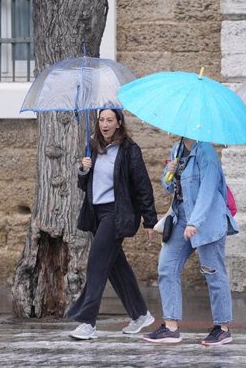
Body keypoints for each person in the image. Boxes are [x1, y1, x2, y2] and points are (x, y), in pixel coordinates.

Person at [67, 109, 158, 340]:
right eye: (101, 120)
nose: (105, 124)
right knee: (117, 267)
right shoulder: (93, 147)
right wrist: (83, 170)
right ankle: (140, 314)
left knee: (97, 262)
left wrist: (150, 221)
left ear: (119, 123)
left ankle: (88, 321)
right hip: (96, 213)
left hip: (116, 214)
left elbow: (143, 187)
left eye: (109, 120)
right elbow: (84, 185)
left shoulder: (129, 150)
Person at [143, 138, 238, 346]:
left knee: (212, 272)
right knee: (167, 267)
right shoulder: (177, 149)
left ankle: (222, 328)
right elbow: (169, 187)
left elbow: (208, 191)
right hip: (181, 218)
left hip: (207, 220)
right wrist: (169, 171)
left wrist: (195, 222)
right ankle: (170, 327)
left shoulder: (206, 152)